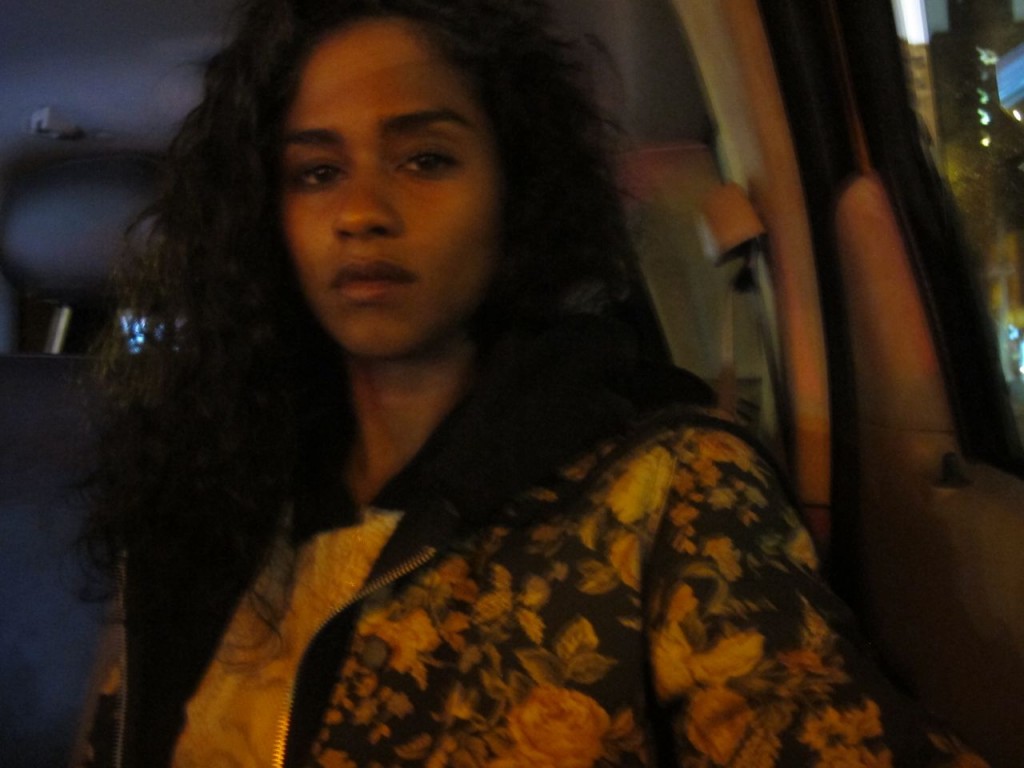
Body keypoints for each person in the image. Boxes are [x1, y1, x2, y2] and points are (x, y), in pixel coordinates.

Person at [77, 0, 988, 766]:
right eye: (317, 172)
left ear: (514, 187)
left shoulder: (667, 486)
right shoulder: (211, 486)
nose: (361, 212)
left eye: (425, 158)